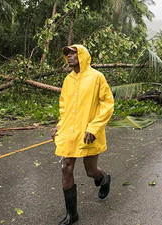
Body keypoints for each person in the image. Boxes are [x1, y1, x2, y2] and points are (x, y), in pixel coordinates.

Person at [51, 44, 114, 225]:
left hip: (89, 133)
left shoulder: (96, 77)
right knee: (66, 168)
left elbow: (107, 104)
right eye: (67, 54)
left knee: (90, 170)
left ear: (83, 55)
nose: (69, 56)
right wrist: (59, 125)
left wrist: (94, 128)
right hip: (70, 132)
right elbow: (65, 108)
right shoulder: (68, 80)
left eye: (73, 53)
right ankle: (72, 214)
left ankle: (104, 178)